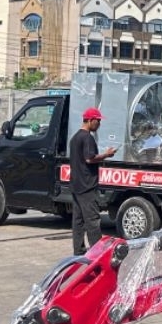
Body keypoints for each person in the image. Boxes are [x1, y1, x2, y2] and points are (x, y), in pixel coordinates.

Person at [69, 107, 117, 255]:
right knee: (92, 221)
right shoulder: (87, 138)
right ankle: (97, 253)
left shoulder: (75, 138)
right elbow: (89, 159)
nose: (99, 124)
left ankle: (78, 251)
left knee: (78, 221)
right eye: (98, 121)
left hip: (76, 185)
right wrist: (106, 155)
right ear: (90, 120)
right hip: (87, 186)